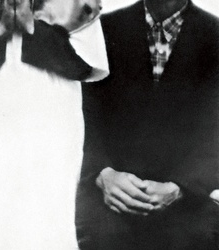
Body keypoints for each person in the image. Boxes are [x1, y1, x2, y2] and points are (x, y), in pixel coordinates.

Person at [0, 0, 108, 249]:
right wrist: (0, 30)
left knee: (49, 223)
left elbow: (84, 67)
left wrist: (31, 28)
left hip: (51, 125)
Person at [76, 0, 219, 249]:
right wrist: (103, 175)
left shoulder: (215, 36)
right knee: (99, 235)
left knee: (195, 237)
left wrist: (179, 187)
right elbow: (82, 114)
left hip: (185, 200)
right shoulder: (104, 30)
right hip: (108, 194)